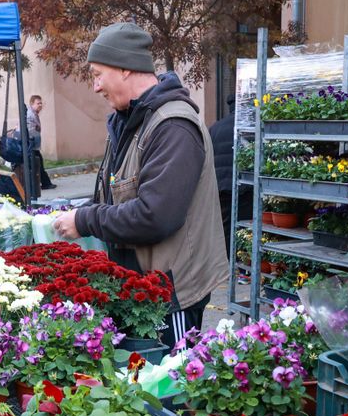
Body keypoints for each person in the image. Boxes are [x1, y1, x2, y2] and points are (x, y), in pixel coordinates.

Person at [52, 23, 228, 348]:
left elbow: (155, 216)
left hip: (171, 295)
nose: (95, 87)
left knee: (167, 383)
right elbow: (114, 194)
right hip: (142, 289)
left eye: (97, 74)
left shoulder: (172, 126)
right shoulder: (130, 120)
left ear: (124, 68)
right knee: (138, 378)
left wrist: (84, 220)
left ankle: (170, 402)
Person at [208, 98, 248, 251]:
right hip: (242, 187)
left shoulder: (216, 127)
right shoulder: (246, 127)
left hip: (219, 186)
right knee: (242, 229)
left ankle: (226, 262)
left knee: (224, 229)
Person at [26, 95, 56, 190]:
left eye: (41, 103)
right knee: (38, 163)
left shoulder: (34, 113)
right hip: (32, 146)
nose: (40, 105)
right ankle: (45, 183)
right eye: (38, 103)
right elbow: (31, 131)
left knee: (38, 163)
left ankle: (44, 183)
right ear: (32, 104)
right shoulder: (30, 115)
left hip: (33, 145)